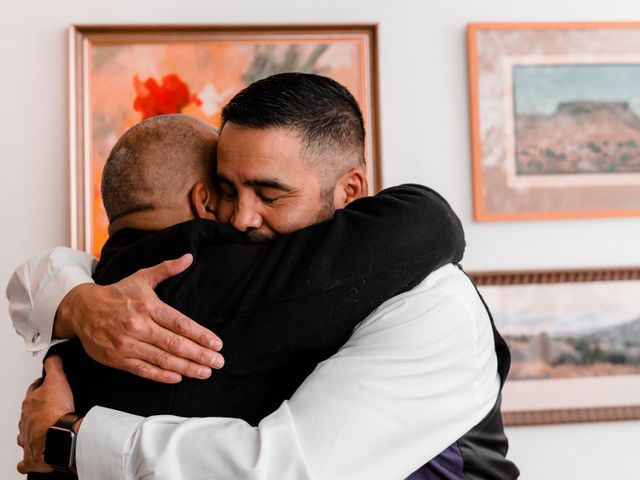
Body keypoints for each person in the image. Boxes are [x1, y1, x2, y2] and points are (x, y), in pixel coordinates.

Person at [12, 73, 519, 479]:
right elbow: (78, 271)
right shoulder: (219, 274)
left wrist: (71, 438)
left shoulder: (432, 303)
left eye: (270, 195)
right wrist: (75, 302)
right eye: (227, 191)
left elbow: (287, 468)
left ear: (351, 190)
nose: (240, 218)